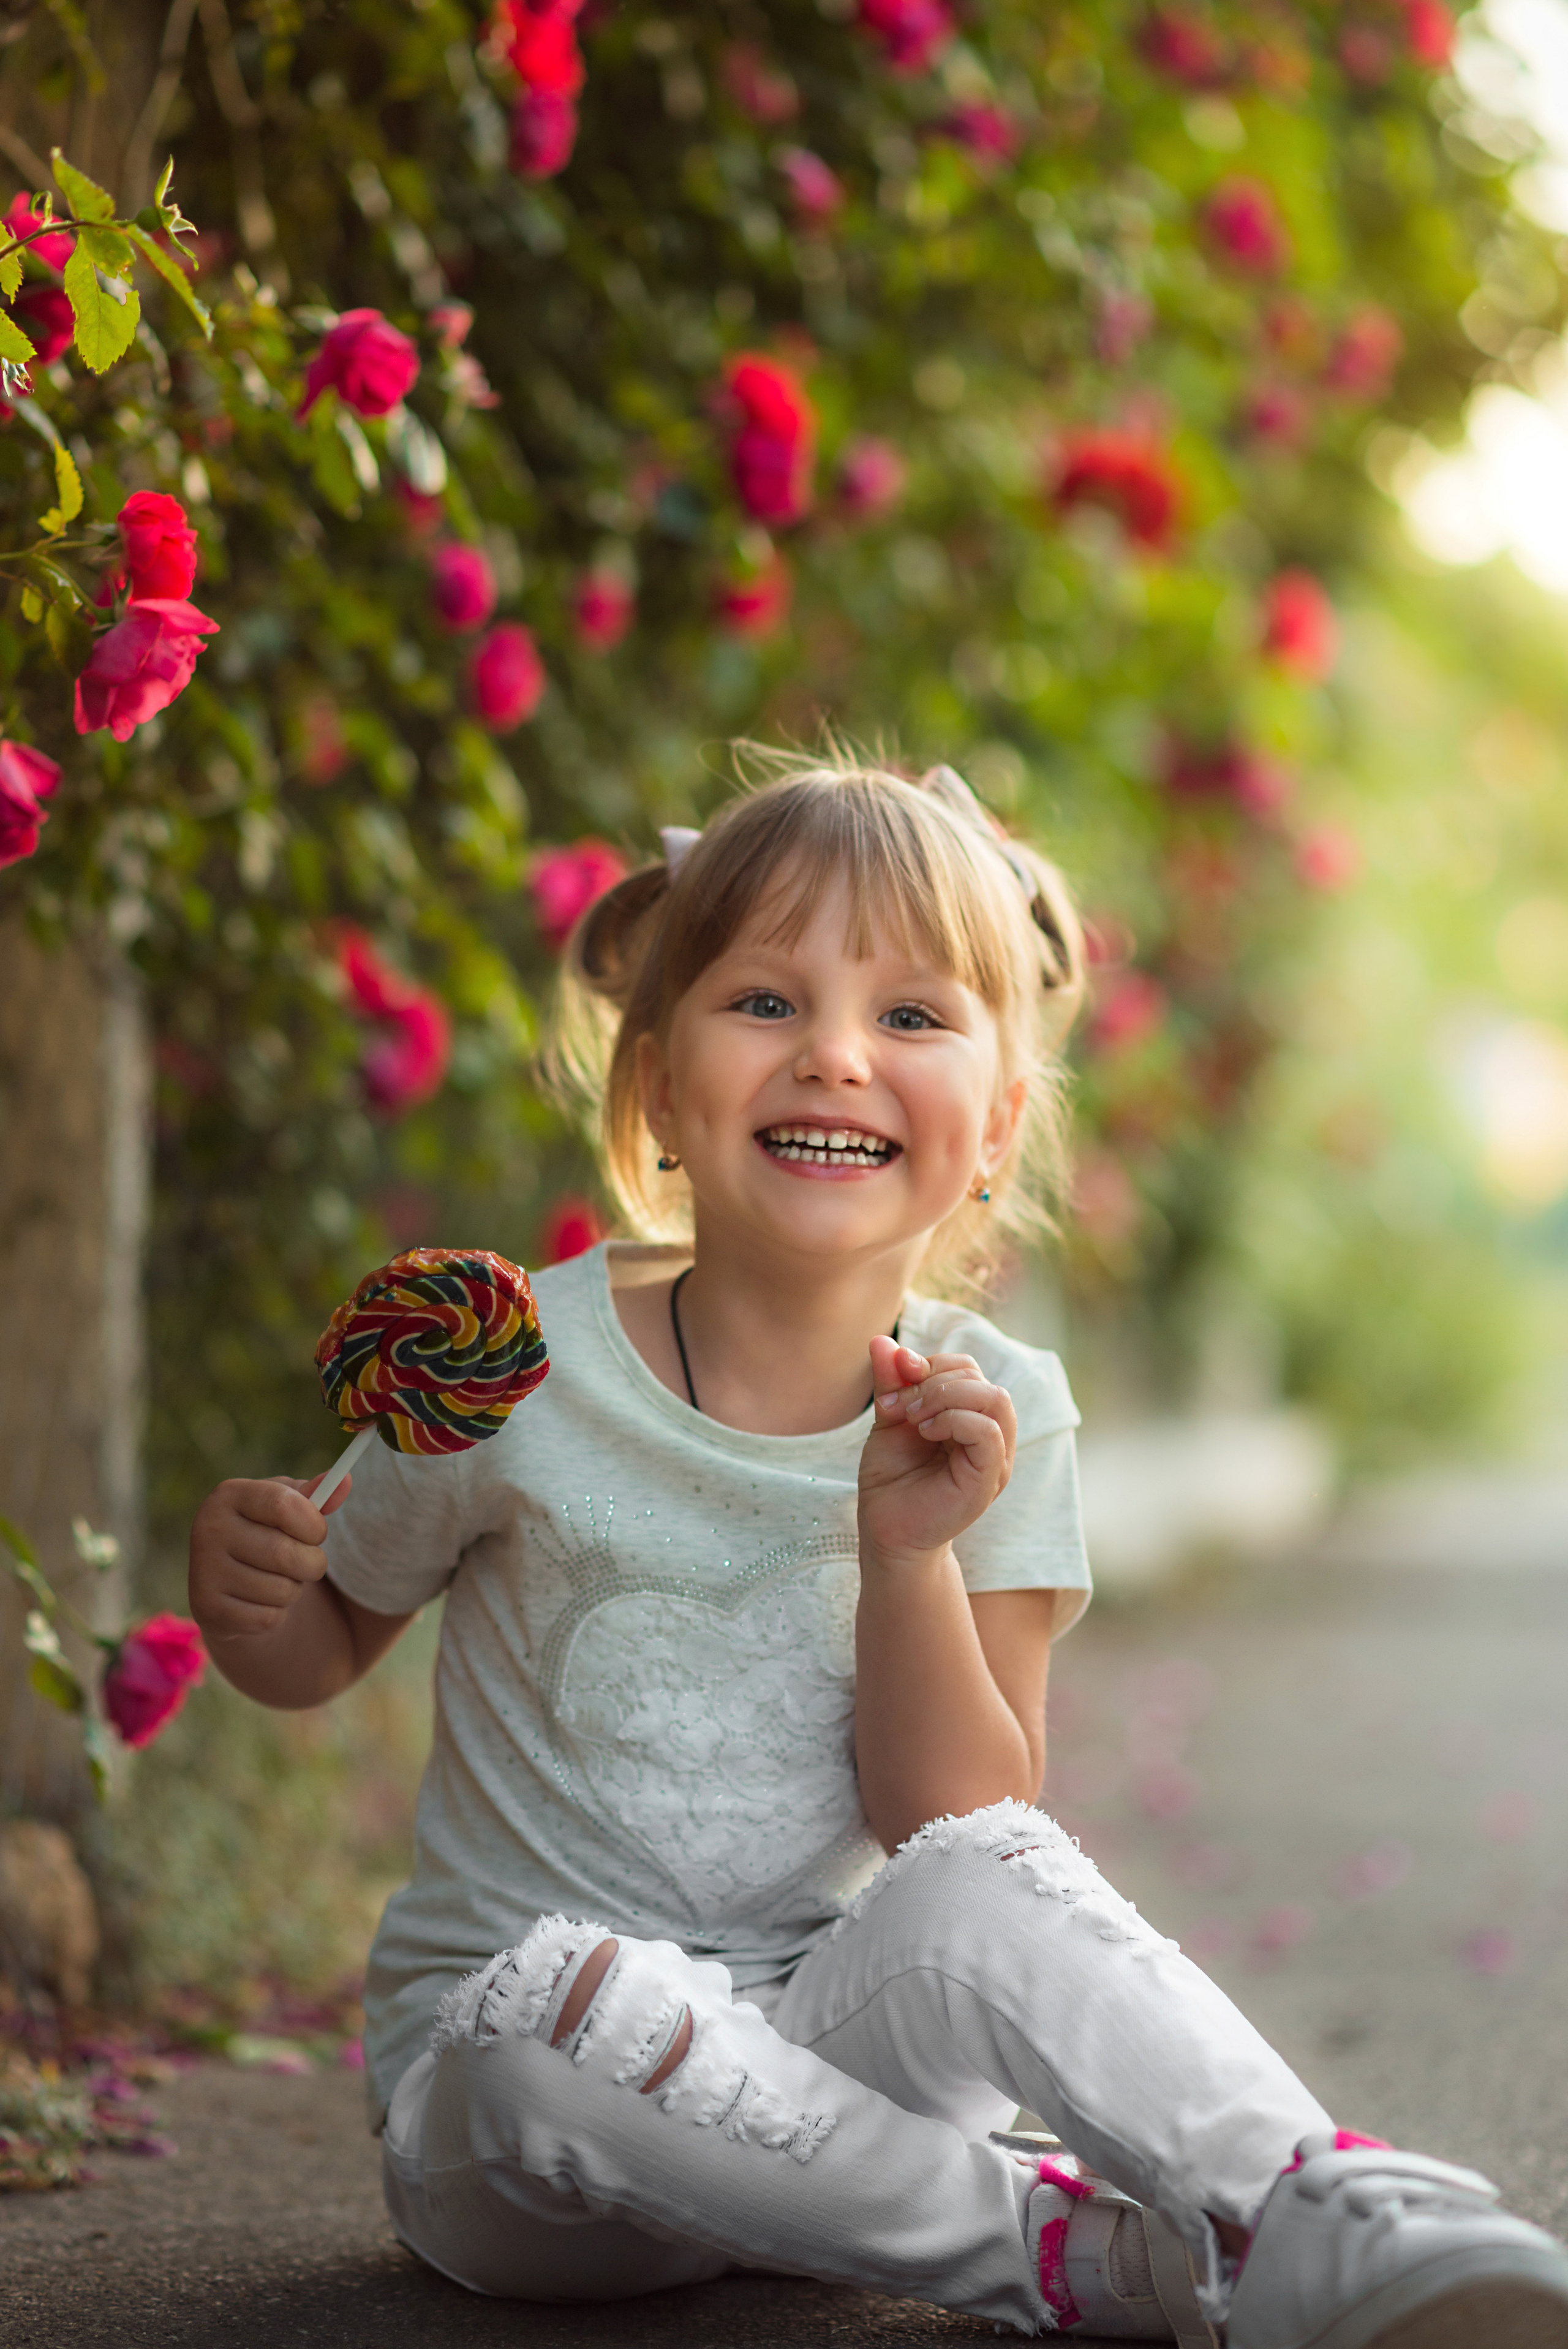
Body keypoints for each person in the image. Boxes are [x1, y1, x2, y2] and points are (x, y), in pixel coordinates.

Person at [189, 754, 1568, 2345]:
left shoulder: (1001, 1412)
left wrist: (909, 1553)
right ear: (654, 1085)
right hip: (530, 2135)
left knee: (992, 1879)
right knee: (545, 2020)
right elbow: (320, 1643)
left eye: (910, 1016)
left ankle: (1320, 2207)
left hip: (835, 2051)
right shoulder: (513, 1364)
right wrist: (253, 1594)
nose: (836, 1054)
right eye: (766, 1001)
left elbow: (956, 1819)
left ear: (994, 1123)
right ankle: (1075, 2251)